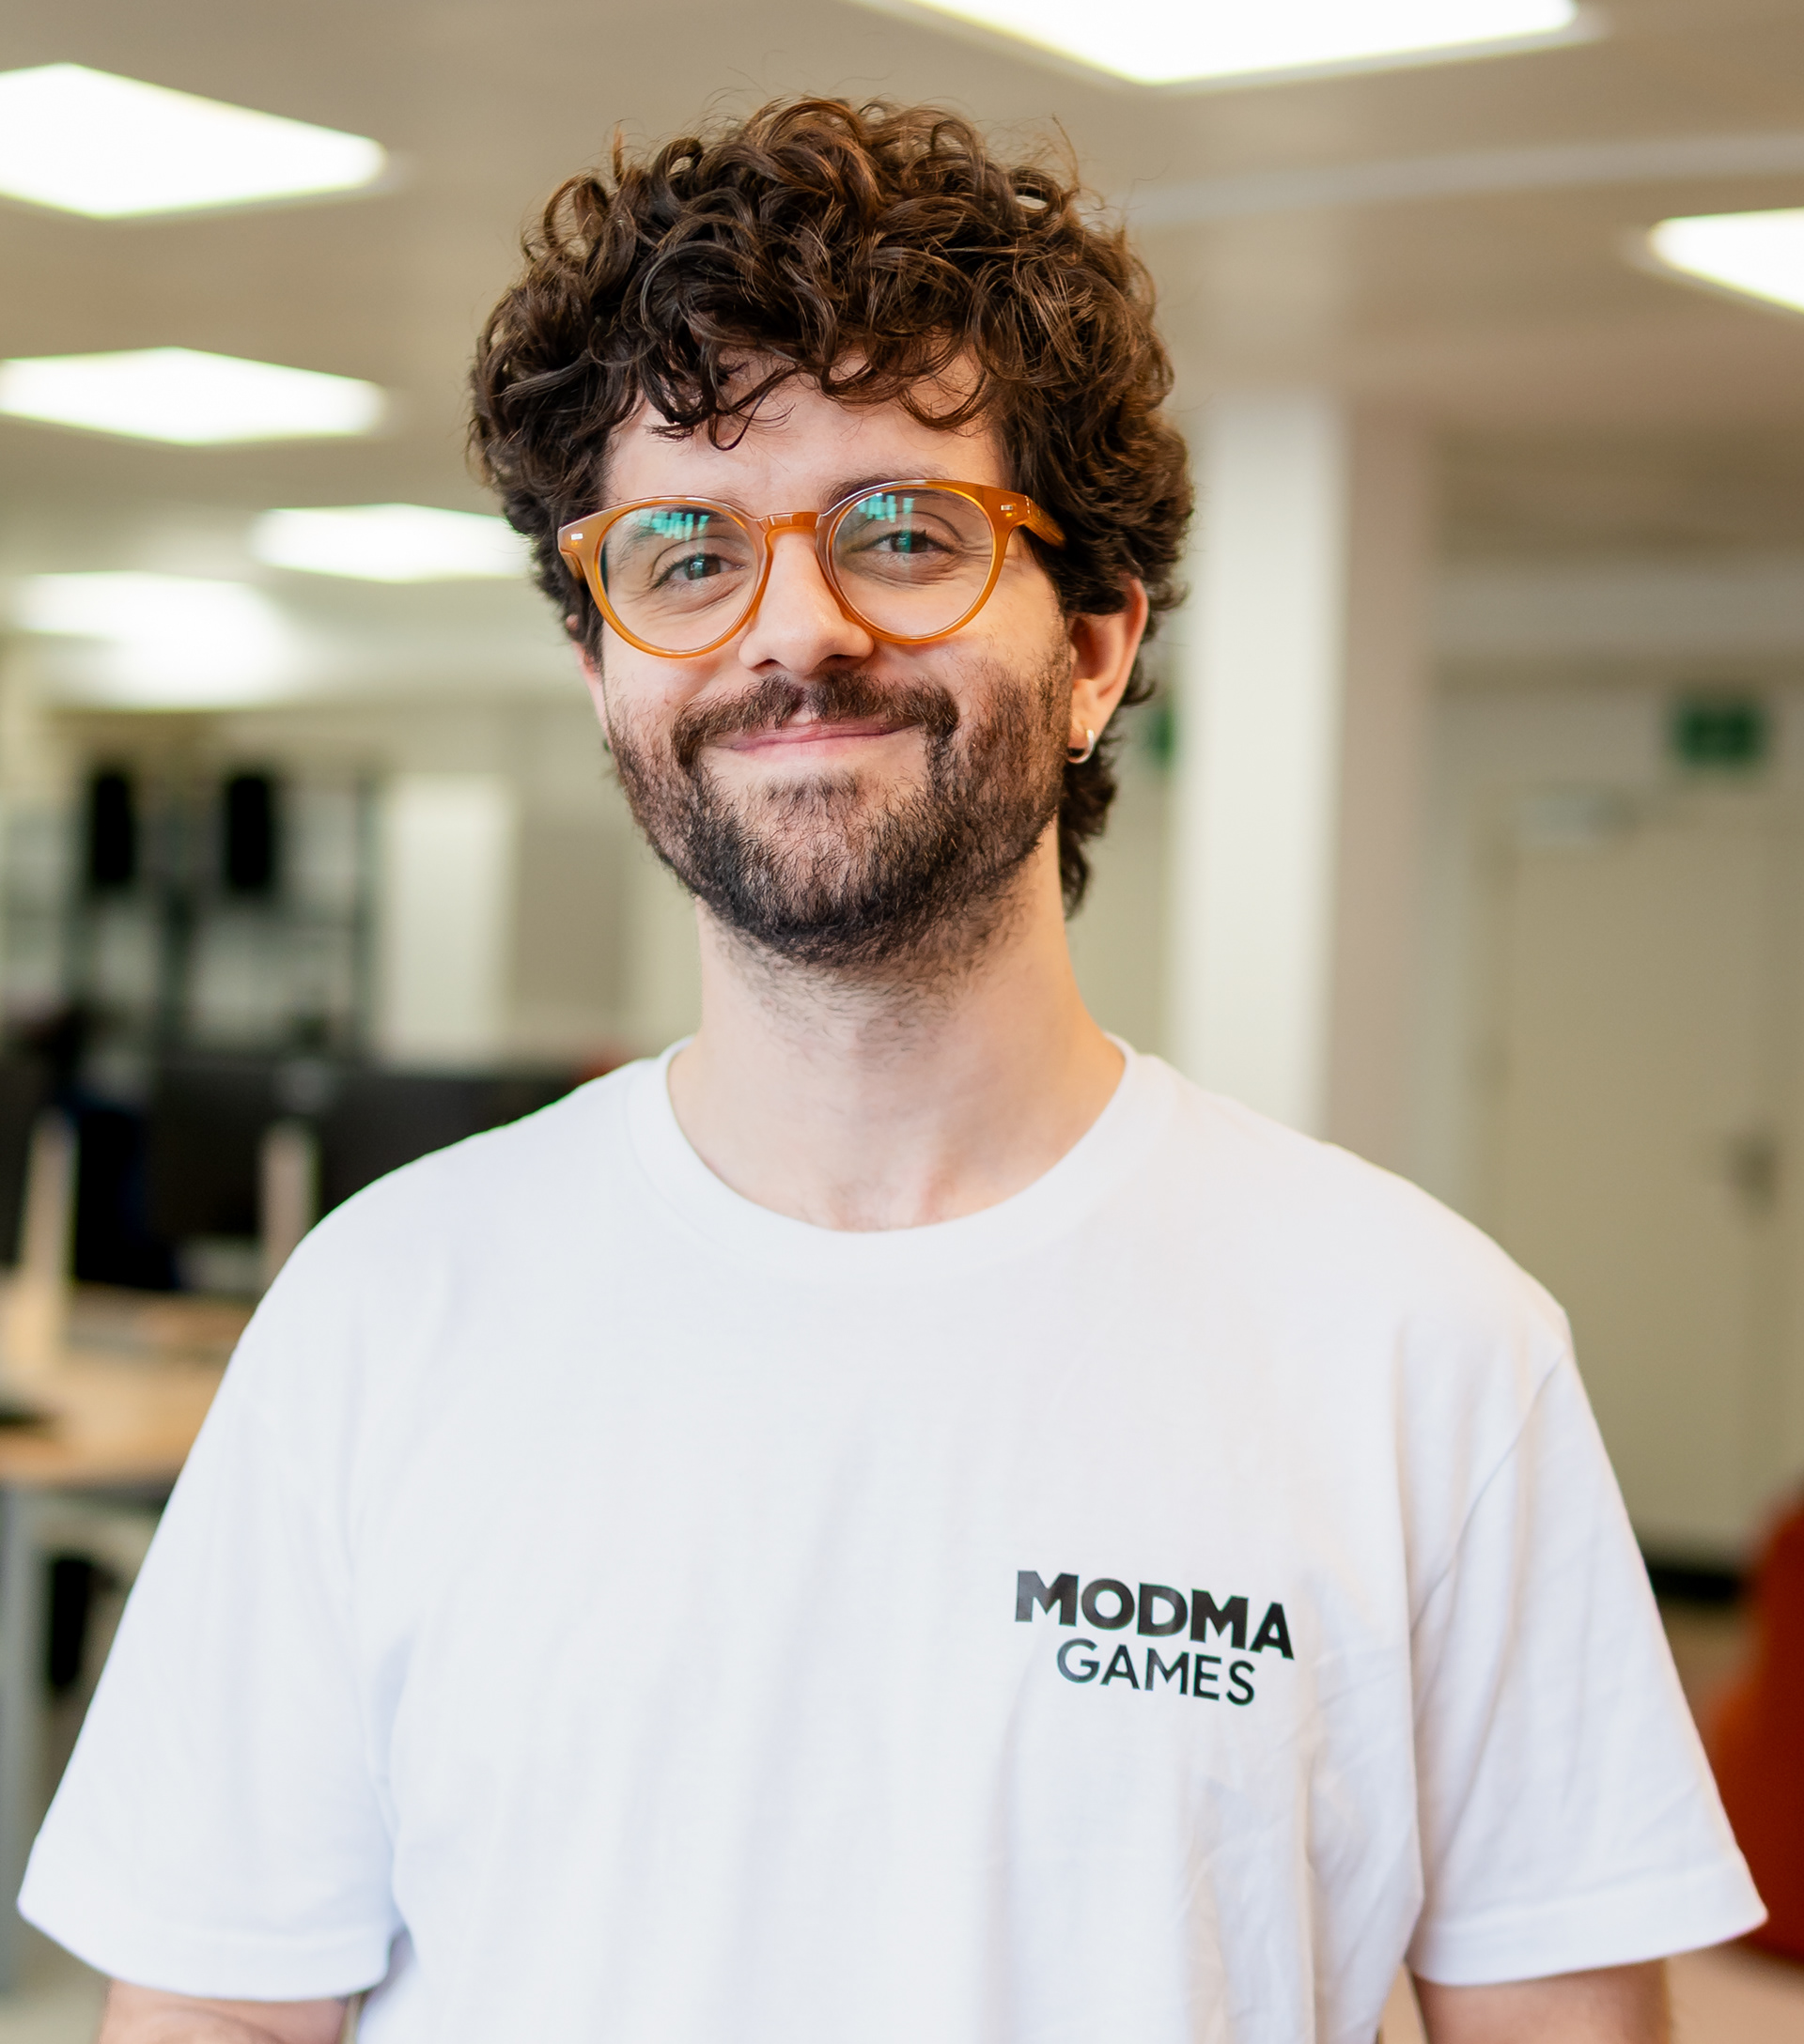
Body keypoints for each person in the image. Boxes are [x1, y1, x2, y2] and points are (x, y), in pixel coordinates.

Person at [23, 100, 1758, 2043]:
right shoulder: (381, 1314)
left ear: (1094, 646)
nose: (795, 630)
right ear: (604, 670)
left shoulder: (1422, 1349)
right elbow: (219, 2015)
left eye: (905, 534)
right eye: (685, 553)